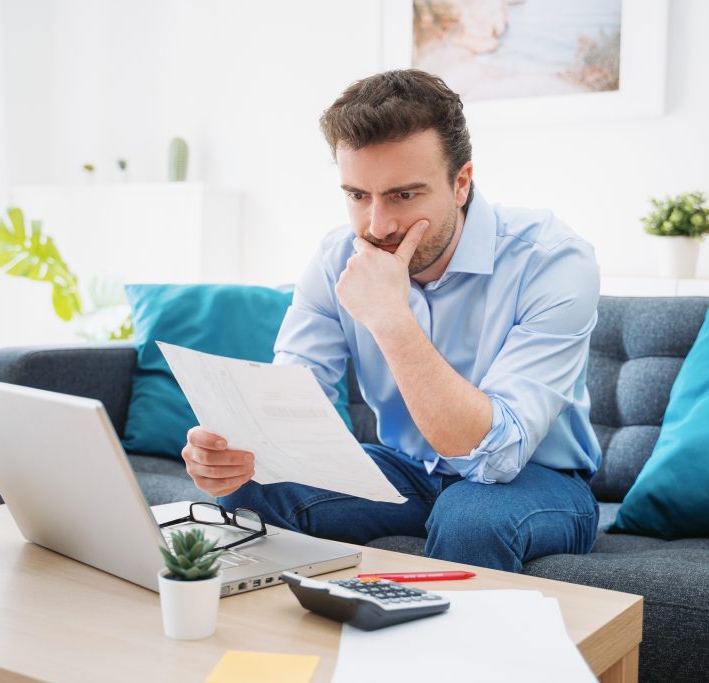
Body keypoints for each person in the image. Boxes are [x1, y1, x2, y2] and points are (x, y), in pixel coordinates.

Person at [180, 69, 602, 572]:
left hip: (538, 479)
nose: (377, 226)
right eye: (358, 195)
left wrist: (392, 318)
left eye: (403, 195)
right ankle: (280, 648)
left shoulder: (553, 260)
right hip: (407, 470)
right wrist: (235, 454)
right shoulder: (336, 256)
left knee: (472, 516)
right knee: (248, 493)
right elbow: (289, 399)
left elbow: (495, 455)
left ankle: (433, 653)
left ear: (461, 182)